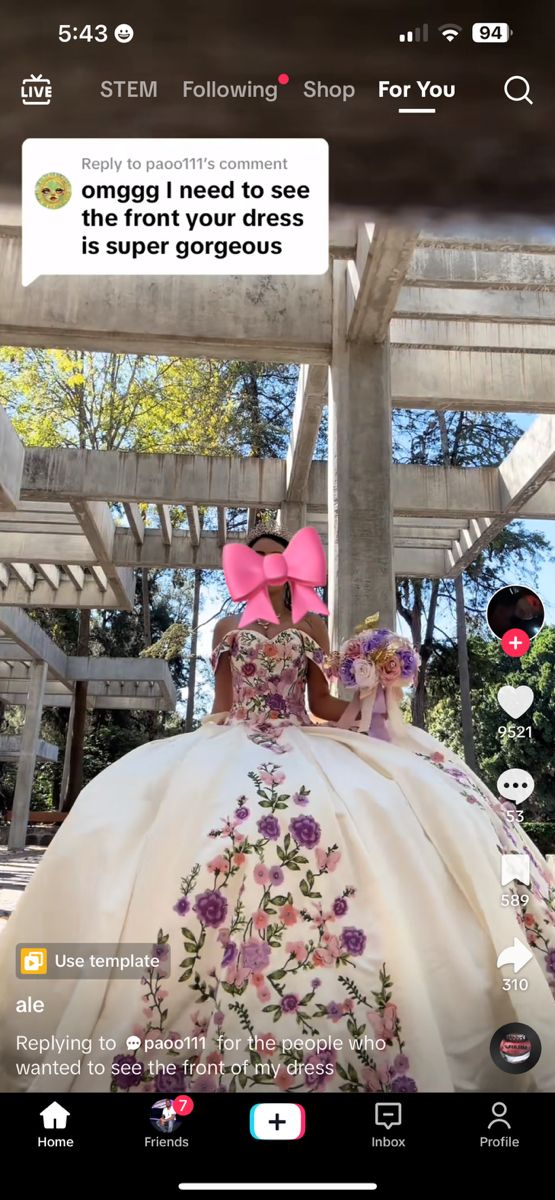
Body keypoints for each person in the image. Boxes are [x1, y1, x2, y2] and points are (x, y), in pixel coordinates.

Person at [0, 524, 553, 1096]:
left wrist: (371, 685)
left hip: (299, 733)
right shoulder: (225, 627)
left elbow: (319, 703)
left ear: (292, 568)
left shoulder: (312, 624)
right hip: (234, 735)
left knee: (377, 810)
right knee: (155, 823)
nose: (269, 566)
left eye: (277, 557)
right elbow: (219, 706)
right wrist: (196, 757)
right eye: (259, 557)